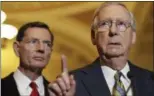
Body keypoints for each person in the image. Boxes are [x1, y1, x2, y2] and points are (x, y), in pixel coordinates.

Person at [48, 2, 154, 96]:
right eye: (104, 24)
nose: (113, 31)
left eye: (121, 24)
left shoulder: (151, 81)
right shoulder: (71, 84)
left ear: (133, 36)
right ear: (93, 36)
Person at [2, 21, 54, 96]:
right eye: (33, 42)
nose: (41, 48)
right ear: (17, 48)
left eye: (47, 44)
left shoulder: (58, 93)